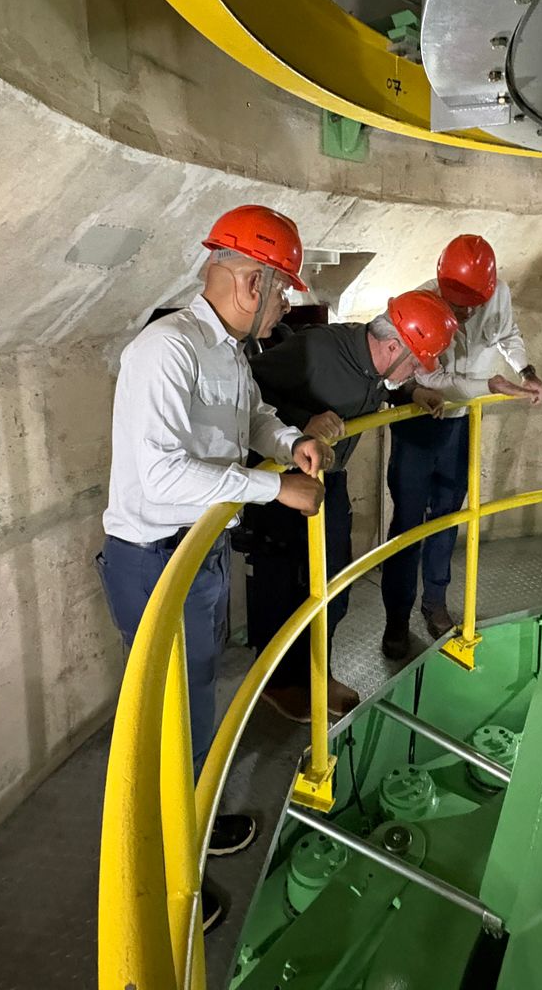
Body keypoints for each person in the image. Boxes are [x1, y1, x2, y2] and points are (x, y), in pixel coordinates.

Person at [95, 204, 332, 934]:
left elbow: (250, 417)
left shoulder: (225, 349)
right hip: (155, 560)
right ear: (251, 283)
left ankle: (192, 824)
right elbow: (162, 476)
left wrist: (288, 443)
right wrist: (275, 488)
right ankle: (168, 888)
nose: (285, 305)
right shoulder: (166, 350)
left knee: (197, 705)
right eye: (281, 290)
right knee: (171, 719)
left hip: (198, 555)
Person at [245, 290, 458, 721]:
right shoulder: (318, 350)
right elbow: (247, 384)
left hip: (328, 477)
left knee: (332, 587)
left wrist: (411, 391)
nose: (420, 369)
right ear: (393, 346)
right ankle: (279, 684)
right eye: (417, 362)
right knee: (283, 585)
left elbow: (381, 385)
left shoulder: (377, 363)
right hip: (281, 481)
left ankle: (317, 675)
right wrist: (301, 421)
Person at [379, 235, 542, 659]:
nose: (467, 313)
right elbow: (418, 379)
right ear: (440, 284)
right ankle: (396, 620)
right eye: (458, 304)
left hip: (463, 424)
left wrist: (526, 370)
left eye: (475, 304)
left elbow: (507, 334)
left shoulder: (498, 294)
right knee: (407, 526)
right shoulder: (416, 303)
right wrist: (489, 385)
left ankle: (435, 603)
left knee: (449, 517)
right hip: (420, 423)